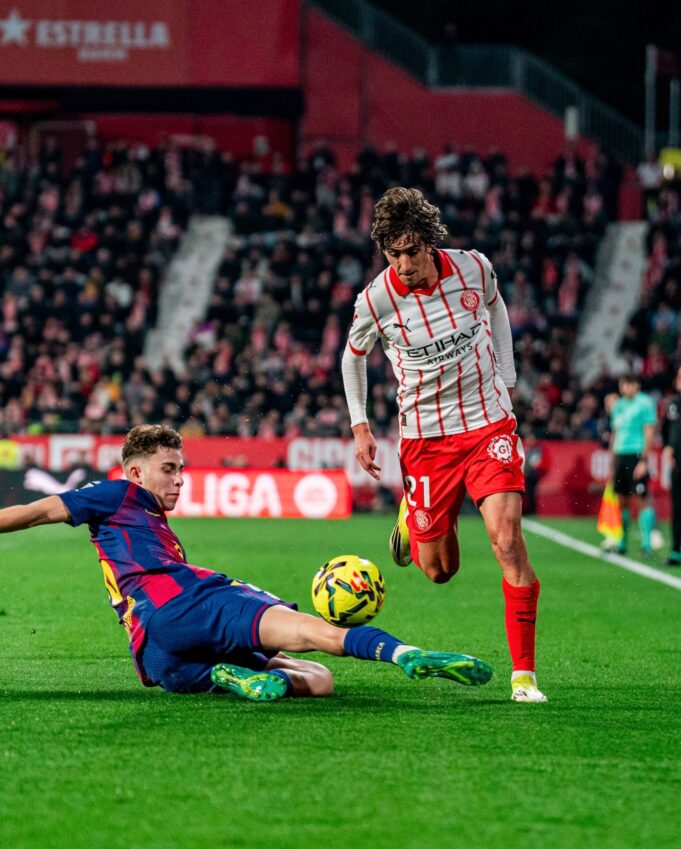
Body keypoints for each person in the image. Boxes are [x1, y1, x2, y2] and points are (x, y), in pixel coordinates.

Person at [0, 424, 493, 701]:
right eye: (168, 470)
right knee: (307, 630)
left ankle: (223, 674)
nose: (179, 480)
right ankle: (406, 655)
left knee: (318, 682)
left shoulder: (145, 524)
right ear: (134, 471)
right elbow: (35, 511)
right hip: (187, 600)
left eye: (181, 470)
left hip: (156, 655)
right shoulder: (118, 493)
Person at [341, 187, 546, 703]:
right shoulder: (376, 298)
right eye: (394, 254)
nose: (404, 264)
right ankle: (414, 513)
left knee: (506, 541)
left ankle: (524, 675)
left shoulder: (474, 269)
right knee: (439, 571)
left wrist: (508, 377)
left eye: (412, 251)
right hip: (426, 440)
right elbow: (352, 357)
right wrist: (360, 426)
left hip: (487, 425)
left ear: (431, 243)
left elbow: (496, 311)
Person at [609, 373, 663, 556]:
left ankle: (646, 543)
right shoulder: (618, 406)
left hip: (636, 454)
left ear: (637, 386)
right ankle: (622, 542)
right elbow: (615, 433)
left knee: (642, 499)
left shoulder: (645, 403)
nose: (626, 388)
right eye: (623, 384)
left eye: (630, 384)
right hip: (620, 455)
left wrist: (644, 461)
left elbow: (649, 432)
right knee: (622, 500)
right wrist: (612, 460)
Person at [661, 365, 681, 565]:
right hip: (677, 463)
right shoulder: (673, 403)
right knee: (677, 507)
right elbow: (666, 430)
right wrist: (667, 447)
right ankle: (676, 550)